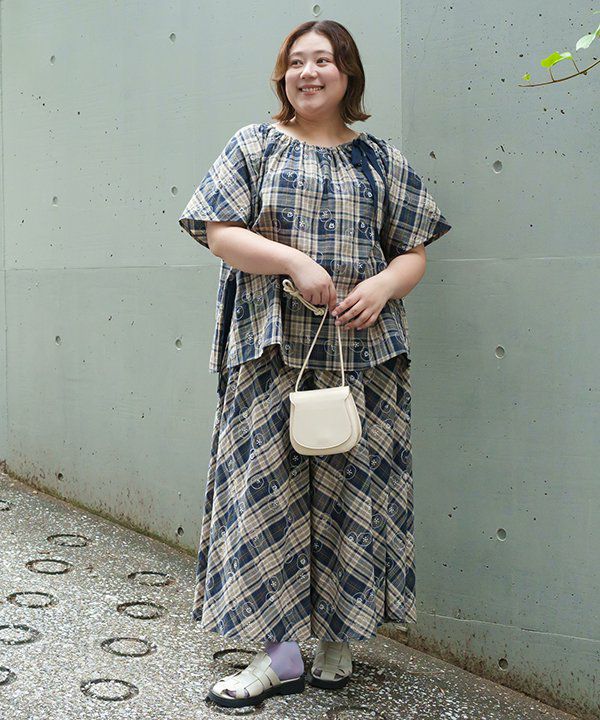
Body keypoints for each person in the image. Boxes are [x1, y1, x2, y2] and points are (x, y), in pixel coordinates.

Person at [178, 19, 452, 709]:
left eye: (323, 60)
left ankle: (337, 643)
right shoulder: (255, 145)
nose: (308, 72)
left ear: (347, 73)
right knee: (267, 503)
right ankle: (278, 657)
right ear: (283, 76)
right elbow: (219, 232)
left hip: (364, 360)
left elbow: (413, 250)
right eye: (296, 61)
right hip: (271, 355)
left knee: (352, 499)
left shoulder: (381, 160)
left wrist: (384, 285)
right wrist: (296, 262)